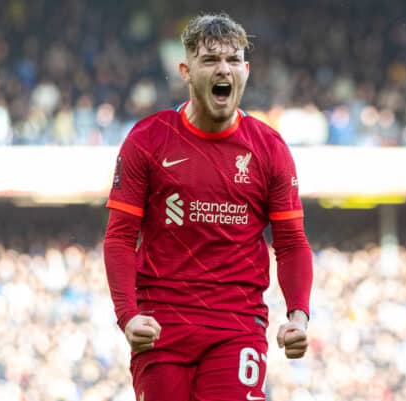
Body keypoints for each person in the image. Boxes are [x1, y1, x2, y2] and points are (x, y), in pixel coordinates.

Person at [103, 13, 313, 401]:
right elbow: (119, 237)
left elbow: (291, 242)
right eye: (210, 60)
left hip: (237, 326)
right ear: (186, 70)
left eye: (233, 61)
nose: (224, 69)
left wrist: (298, 315)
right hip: (162, 326)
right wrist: (127, 317)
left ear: (246, 71)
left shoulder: (269, 148)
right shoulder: (149, 139)